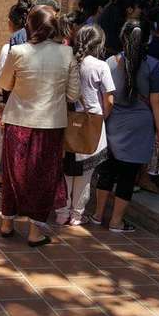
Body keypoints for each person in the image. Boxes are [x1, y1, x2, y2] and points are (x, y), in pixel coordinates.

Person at [0, 5, 79, 246]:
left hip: (18, 122)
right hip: (50, 126)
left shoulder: (18, 51)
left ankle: (7, 223)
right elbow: (73, 94)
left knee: (13, 174)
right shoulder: (67, 54)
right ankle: (35, 232)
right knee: (43, 177)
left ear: (30, 26)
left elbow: (4, 83)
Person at [90, 19, 159, 232]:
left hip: (113, 123)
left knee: (107, 170)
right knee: (128, 176)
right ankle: (116, 222)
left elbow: (105, 97)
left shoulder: (110, 62)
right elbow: (156, 102)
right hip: (140, 127)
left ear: (123, 37)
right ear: (147, 40)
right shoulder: (154, 66)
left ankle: (97, 215)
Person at [55, 24, 115, 226]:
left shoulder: (65, 61)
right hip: (91, 123)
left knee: (65, 170)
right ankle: (76, 216)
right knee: (85, 173)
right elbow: (109, 100)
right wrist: (102, 117)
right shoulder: (101, 66)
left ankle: (62, 212)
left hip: (66, 120)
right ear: (99, 44)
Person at [0, 0, 33, 187]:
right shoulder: (45, 41)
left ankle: (7, 181)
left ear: (11, 22)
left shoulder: (14, 43)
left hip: (15, 103)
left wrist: (4, 101)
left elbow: (5, 80)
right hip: (35, 106)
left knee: (12, 145)